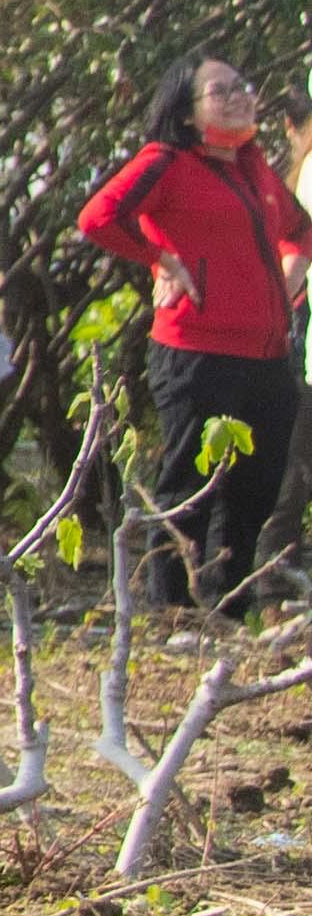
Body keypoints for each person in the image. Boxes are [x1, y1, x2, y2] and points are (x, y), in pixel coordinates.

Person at [78, 54, 307, 614]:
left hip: (269, 355)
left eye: (242, 86)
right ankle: (169, 610)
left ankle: (228, 607)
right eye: (219, 91)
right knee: (187, 484)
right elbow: (97, 218)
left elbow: (300, 231)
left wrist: (287, 278)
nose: (237, 97)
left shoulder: (254, 165)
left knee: (256, 485)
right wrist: (161, 260)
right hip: (196, 352)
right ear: (186, 113)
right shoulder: (167, 161)